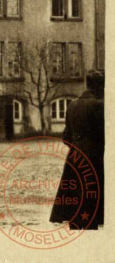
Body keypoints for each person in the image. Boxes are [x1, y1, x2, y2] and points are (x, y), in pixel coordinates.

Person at [50, 70, 105, 230]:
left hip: (74, 157)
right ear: (100, 86)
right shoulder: (99, 105)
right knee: (91, 199)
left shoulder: (72, 104)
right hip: (94, 157)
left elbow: (66, 136)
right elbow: (105, 134)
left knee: (75, 197)